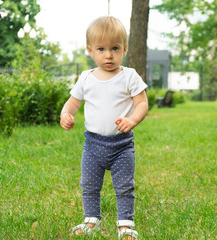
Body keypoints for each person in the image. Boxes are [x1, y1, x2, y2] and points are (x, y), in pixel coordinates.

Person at [60, 16, 148, 240]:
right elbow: (73, 103)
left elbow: (142, 103)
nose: (108, 55)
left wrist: (132, 120)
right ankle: (92, 220)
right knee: (89, 184)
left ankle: (125, 225)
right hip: (93, 145)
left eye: (115, 48)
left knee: (124, 186)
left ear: (124, 49)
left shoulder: (129, 76)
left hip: (121, 145)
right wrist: (66, 114)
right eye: (101, 49)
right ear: (90, 50)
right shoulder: (86, 78)